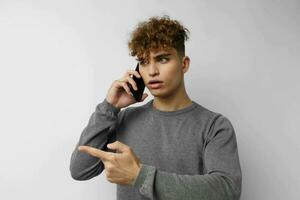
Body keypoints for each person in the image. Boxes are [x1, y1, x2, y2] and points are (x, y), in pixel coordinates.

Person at [69, 15, 242, 200]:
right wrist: (109, 107)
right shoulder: (125, 119)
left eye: (162, 59)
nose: (152, 71)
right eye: (143, 62)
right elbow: (80, 170)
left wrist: (140, 177)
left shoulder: (214, 126)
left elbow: (227, 190)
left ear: (184, 64)